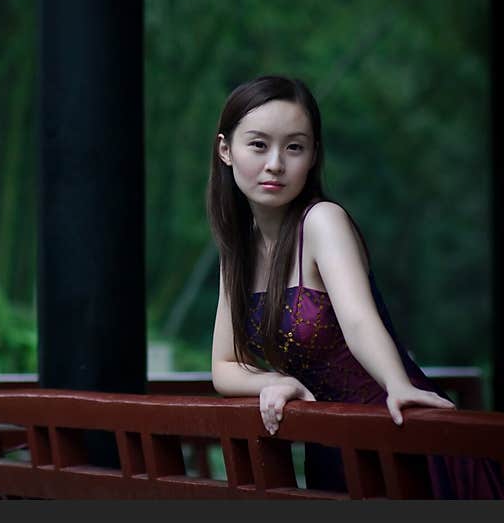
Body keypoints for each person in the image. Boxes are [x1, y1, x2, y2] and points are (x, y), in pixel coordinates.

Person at [207, 74, 502, 498]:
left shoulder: (322, 221)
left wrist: (398, 385)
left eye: (294, 147)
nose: (275, 163)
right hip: (333, 447)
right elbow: (224, 366)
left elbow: (360, 322)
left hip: (398, 431)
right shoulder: (237, 250)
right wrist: (273, 382)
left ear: (313, 156)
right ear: (225, 150)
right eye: (258, 144)